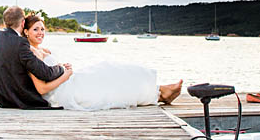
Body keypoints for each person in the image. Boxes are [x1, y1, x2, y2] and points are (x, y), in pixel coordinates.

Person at [21, 13, 183, 111]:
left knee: (108, 69)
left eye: (42, 29)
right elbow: (42, 88)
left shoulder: (43, 50)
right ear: (26, 31)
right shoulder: (30, 53)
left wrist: (63, 67)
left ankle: (159, 91)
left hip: (70, 80)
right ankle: (160, 94)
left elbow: (50, 72)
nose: (41, 33)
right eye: (36, 29)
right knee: (108, 77)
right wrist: (67, 74)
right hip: (66, 91)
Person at [0, 5, 71, 109]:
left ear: (5, 22)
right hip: (22, 100)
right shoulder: (21, 43)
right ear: (23, 23)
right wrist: (61, 68)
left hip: (1, 99)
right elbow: (45, 73)